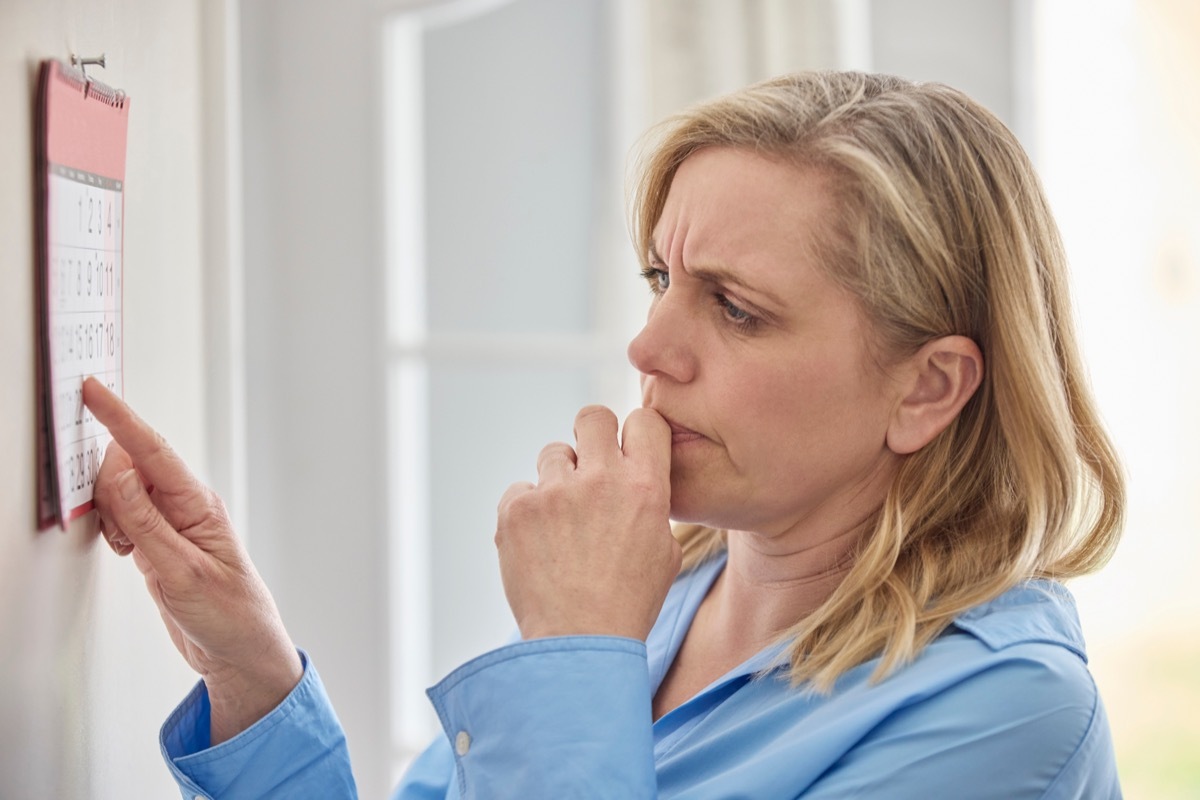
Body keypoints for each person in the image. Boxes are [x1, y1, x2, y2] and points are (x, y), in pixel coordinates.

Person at [84, 71, 1125, 798]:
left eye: (737, 309)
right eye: (661, 280)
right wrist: (252, 676)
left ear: (927, 388)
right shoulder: (662, 588)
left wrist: (579, 656)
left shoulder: (1008, 713)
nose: (649, 345)